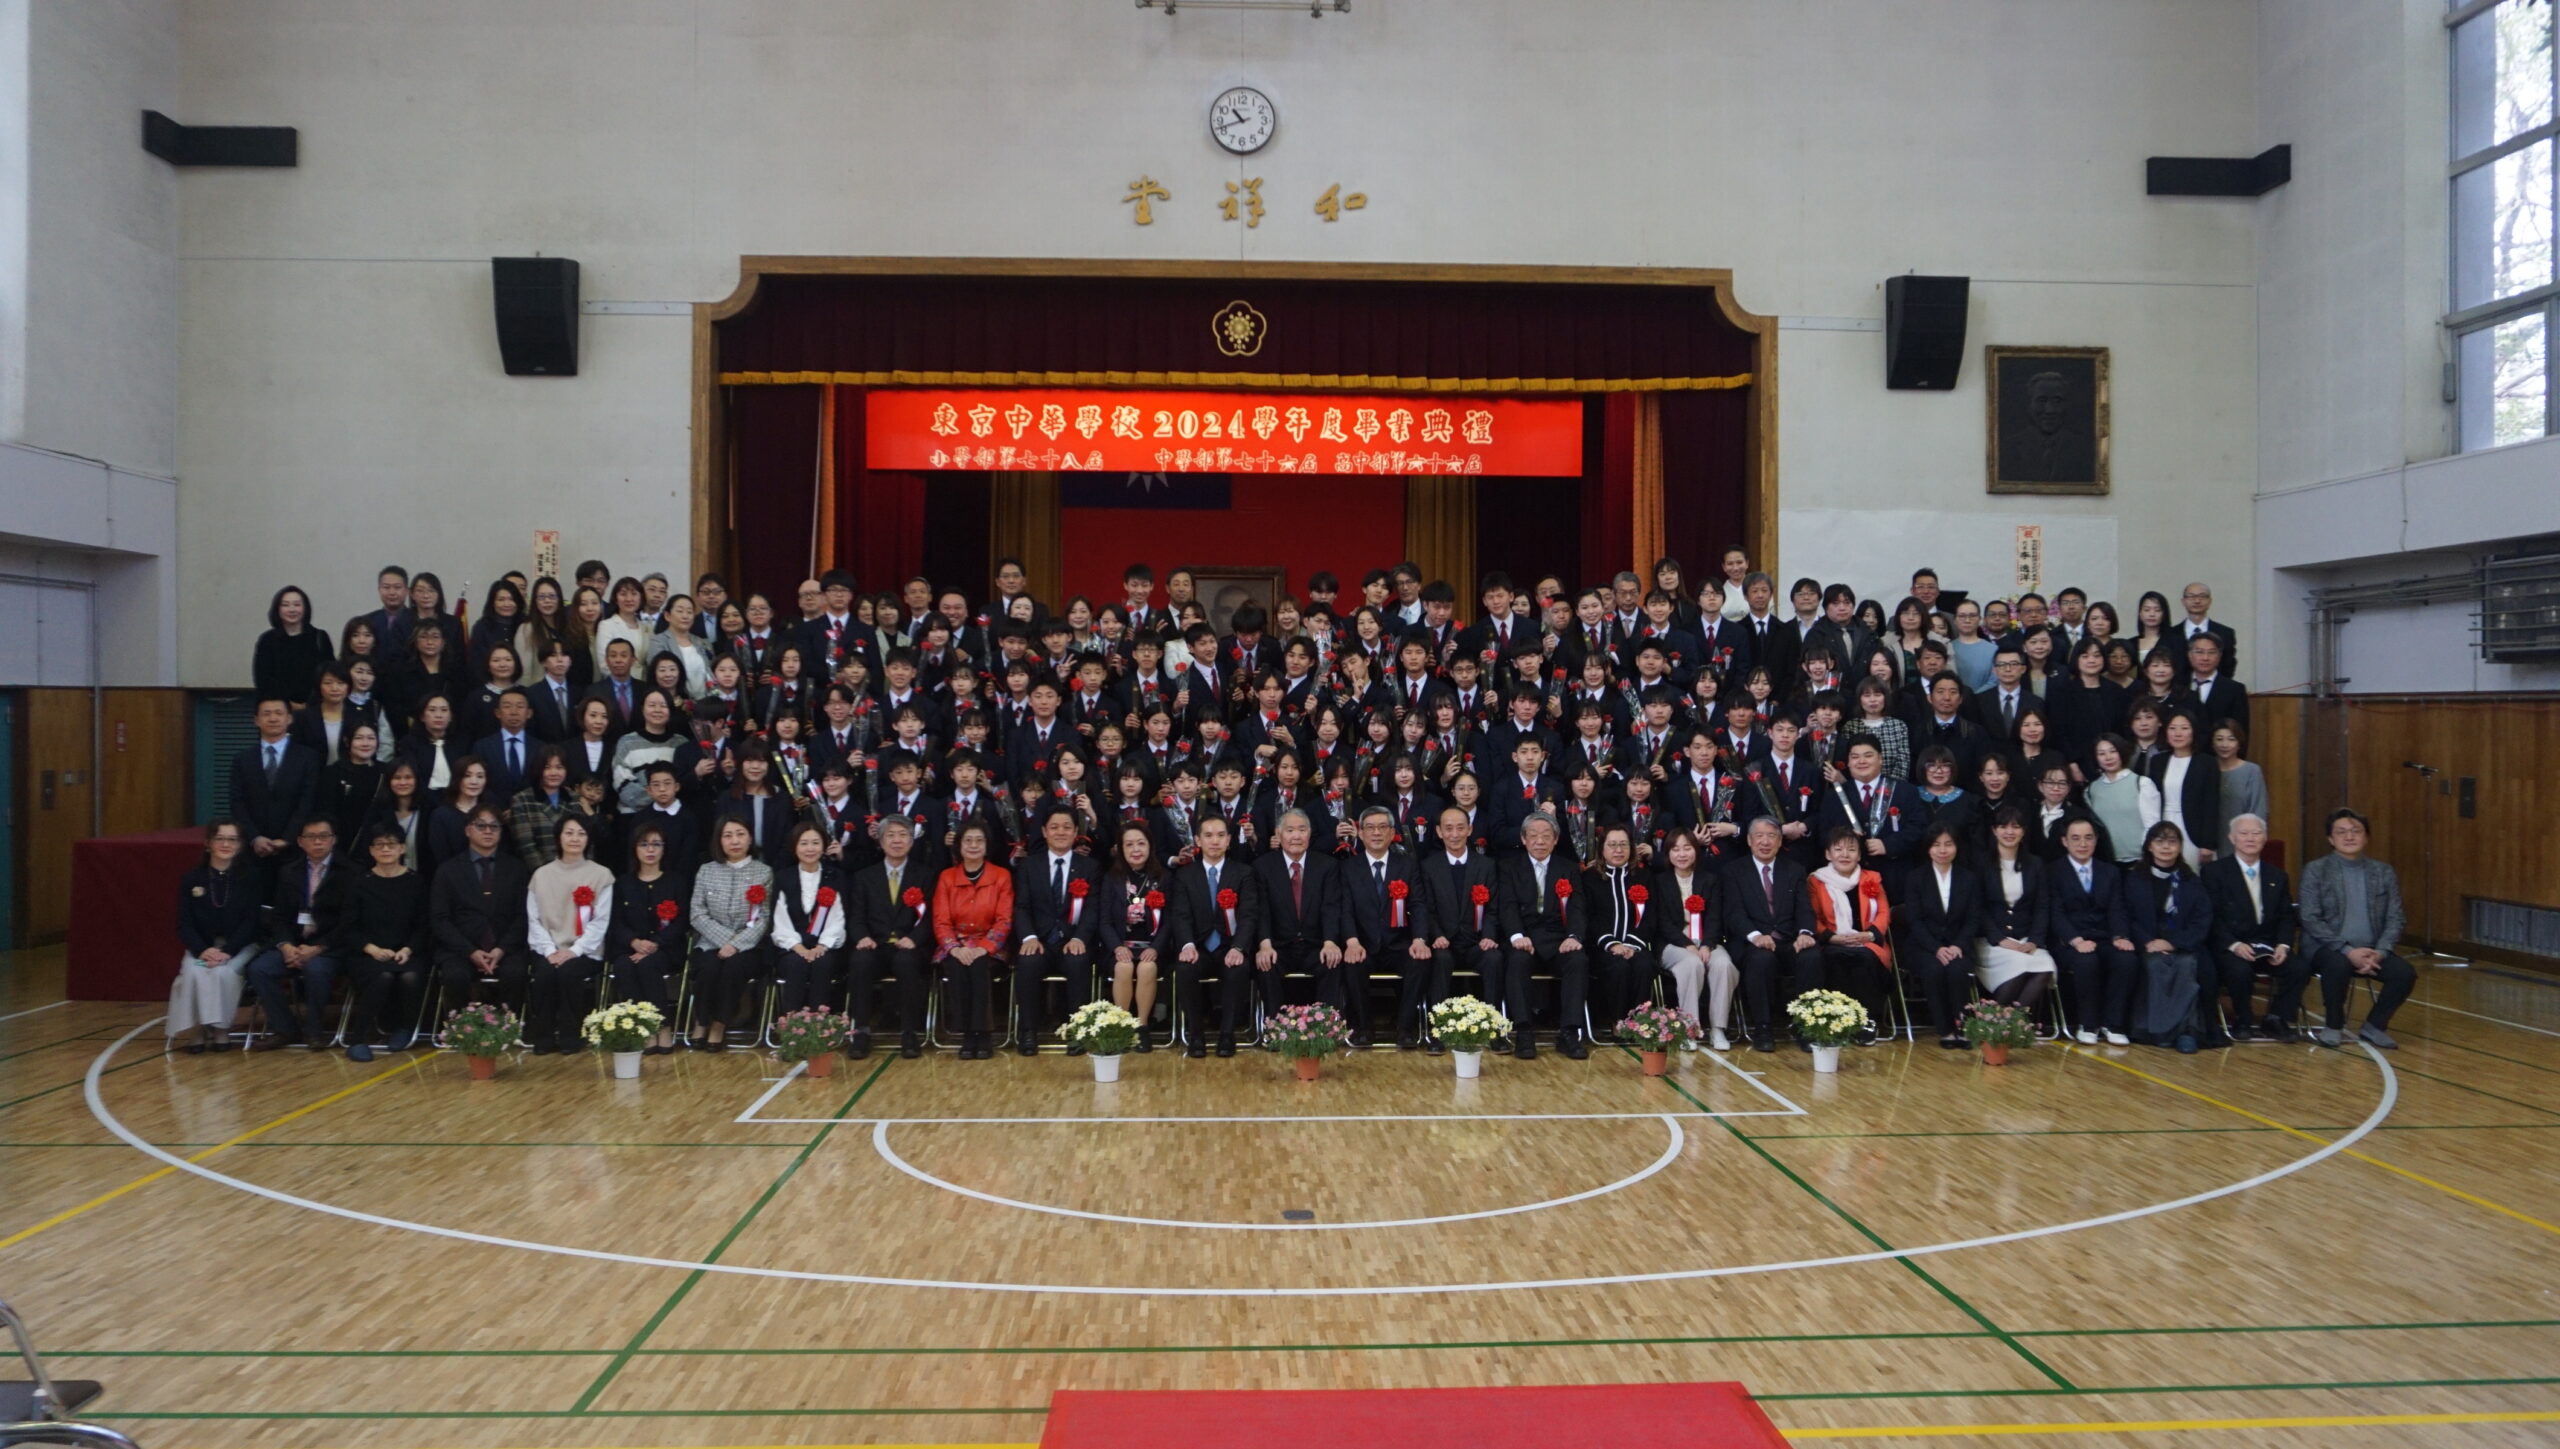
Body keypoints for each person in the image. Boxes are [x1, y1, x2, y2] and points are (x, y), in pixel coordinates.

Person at [2291, 808, 2415, 1049]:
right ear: (2330, 839)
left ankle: (2374, 1026)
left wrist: (2381, 952)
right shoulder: (2316, 870)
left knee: (2404, 973)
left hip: (2372, 950)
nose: (2349, 837)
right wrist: (2347, 950)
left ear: (2366, 837)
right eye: (2341, 832)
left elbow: (2395, 917)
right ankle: (2333, 1025)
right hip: (2325, 948)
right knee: (2338, 964)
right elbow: (2310, 918)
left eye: (2356, 831)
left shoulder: (2383, 872)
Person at [244, 816, 349, 1052]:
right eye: (311, 837)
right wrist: (286, 946)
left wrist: (317, 948)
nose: (318, 842)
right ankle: (285, 1028)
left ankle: (314, 1031)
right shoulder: (288, 871)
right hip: (294, 943)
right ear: (300, 842)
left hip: (330, 947)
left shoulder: (349, 872)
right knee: (259, 969)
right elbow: (280, 917)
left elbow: (349, 923)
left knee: (316, 969)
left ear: (334, 840)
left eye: (324, 836)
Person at [1252, 808, 1355, 1043]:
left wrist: (1330, 942)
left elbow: (1331, 907)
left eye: (1302, 830)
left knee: (1332, 962)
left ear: (1310, 834)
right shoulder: (1262, 866)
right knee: (1266, 964)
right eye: (1290, 830)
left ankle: (1326, 1032)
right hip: (1279, 945)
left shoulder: (1326, 865)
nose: (1296, 836)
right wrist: (1265, 945)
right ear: (1278, 834)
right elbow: (1262, 911)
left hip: (1315, 943)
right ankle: (1276, 1032)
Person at [1498, 811, 1592, 1059]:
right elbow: (1506, 906)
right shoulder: (1509, 867)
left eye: (1546, 836)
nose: (1540, 841)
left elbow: (1577, 907)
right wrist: (1516, 935)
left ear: (1556, 839)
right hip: (1525, 938)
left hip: (1559, 938)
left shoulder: (1568, 868)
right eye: (1533, 835)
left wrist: (1574, 936)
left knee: (1578, 960)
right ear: (1524, 839)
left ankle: (1570, 1033)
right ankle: (1524, 1032)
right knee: (1516, 961)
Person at [2202, 812, 2300, 1043]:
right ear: (2232, 838)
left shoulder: (2277, 875)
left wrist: (2283, 944)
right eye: (2244, 833)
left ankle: (2276, 1018)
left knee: (2298, 967)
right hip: (2231, 944)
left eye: (2256, 833)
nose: (2250, 838)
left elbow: (2287, 915)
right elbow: (2211, 916)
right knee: (2239, 971)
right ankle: (2243, 1020)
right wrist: (2234, 944)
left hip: (2268, 944)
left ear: (2264, 838)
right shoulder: (2214, 872)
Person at [1011, 806, 1102, 1054]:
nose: (1060, 832)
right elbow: (1021, 907)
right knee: (1027, 962)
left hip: (1073, 939)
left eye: (1066, 827)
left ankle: (1078, 1033)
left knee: (1078, 962)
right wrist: (1029, 937)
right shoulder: (1030, 865)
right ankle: (1028, 1033)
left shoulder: (1089, 867)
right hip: (1039, 939)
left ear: (1076, 832)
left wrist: (1080, 937)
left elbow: (1092, 909)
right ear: (1044, 832)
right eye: (1054, 827)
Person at [1167, 813, 1259, 1058]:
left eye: (1220, 835)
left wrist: (1238, 947)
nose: (1215, 841)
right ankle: (1196, 1035)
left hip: (1229, 946)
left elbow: (1249, 915)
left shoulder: (1243, 873)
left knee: (1239, 968)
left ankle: (1227, 1035)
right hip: (1198, 947)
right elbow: (1180, 915)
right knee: (1184, 969)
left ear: (1229, 840)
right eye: (1208, 835)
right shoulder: (1185, 875)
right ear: (1198, 840)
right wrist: (1187, 944)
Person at [1721, 816, 1815, 1053]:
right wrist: (1755, 935)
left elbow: (1804, 908)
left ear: (1780, 841)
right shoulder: (1734, 871)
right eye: (1759, 836)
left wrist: (1805, 933)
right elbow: (1733, 913)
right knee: (1761, 959)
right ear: (1749, 840)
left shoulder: (1794, 869)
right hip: (1752, 942)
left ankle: (1806, 1026)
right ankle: (1763, 1028)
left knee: (1811, 956)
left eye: (1771, 836)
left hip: (1787, 940)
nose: (1765, 842)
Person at [429, 806, 531, 1023]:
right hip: (461, 949)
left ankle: (507, 1029)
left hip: (505, 948)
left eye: (494, 826)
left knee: (516, 973)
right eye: (481, 826)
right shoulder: (448, 870)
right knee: (455, 976)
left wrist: (500, 950)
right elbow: (440, 919)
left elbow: (523, 916)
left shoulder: (517, 868)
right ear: (468, 830)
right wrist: (470, 951)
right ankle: (460, 1030)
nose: (488, 831)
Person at [336, 824, 429, 1058]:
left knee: (409, 976)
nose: (385, 849)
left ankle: (404, 1028)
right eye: (379, 845)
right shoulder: (359, 882)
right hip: (367, 953)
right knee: (383, 975)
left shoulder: (416, 881)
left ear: (402, 848)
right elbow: (348, 926)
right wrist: (371, 949)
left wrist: (408, 949)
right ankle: (358, 1039)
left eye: (391, 844)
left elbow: (424, 925)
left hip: (408, 952)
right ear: (371, 850)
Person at [169, 819, 262, 1053]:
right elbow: (184, 924)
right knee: (192, 972)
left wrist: (227, 951)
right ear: (208, 843)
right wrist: (202, 950)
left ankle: (221, 1029)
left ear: (240, 845)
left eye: (232, 840)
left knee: (223, 973)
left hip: (238, 946)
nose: (226, 844)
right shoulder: (192, 879)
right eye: (220, 839)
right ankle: (198, 1029)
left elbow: (251, 922)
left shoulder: (250, 877)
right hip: (202, 947)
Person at [524, 814, 612, 1055]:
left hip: (585, 950)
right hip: (548, 949)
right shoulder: (541, 875)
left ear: (589, 839)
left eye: (581, 833)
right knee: (544, 975)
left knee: (568, 973)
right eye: (569, 833)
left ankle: (570, 1035)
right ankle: (543, 1036)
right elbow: (534, 919)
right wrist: (550, 951)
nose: (575, 838)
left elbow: (600, 922)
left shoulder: (601, 875)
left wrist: (574, 951)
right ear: (558, 837)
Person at [847, 815, 932, 1058]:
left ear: (911, 841)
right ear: (881, 841)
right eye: (891, 835)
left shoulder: (925, 875)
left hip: (909, 944)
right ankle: (861, 1031)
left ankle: (909, 1032)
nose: (897, 841)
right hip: (875, 944)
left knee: (906, 962)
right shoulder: (864, 877)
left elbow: (931, 916)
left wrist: (915, 938)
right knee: (860, 961)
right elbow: (856, 916)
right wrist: (862, 937)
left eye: (903, 835)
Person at [2048, 816, 2138, 1045]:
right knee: (2086, 961)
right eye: (2076, 838)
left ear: (2096, 841)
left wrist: (2120, 936)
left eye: (2088, 838)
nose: (2083, 844)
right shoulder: (2052, 871)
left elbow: (2117, 909)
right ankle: (2088, 1025)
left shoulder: (2110, 872)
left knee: (2126, 959)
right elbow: (2055, 913)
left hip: (2104, 938)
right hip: (2069, 942)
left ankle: (2113, 1024)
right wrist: (2076, 940)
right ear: (2065, 841)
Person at [688, 815, 775, 1051]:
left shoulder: (764, 872)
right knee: (708, 968)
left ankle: (719, 1024)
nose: (734, 841)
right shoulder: (706, 871)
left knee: (733, 968)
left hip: (748, 946)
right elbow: (697, 913)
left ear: (750, 839)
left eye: (740, 834)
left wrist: (736, 944)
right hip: (710, 942)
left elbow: (764, 917)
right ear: (719, 840)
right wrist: (726, 941)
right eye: (727, 836)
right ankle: (701, 1021)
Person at [2127, 821, 2215, 1053]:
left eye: (2172, 842)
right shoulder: (2135, 879)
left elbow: (2202, 920)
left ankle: (2187, 1031)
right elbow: (2128, 917)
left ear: (2180, 847)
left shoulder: (2191, 881)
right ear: (2149, 846)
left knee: (2187, 965)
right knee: (2156, 965)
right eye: (2160, 841)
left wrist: (2173, 943)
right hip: (2147, 944)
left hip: (2183, 944)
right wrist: (2148, 942)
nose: (2166, 847)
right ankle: (2160, 1032)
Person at [932, 820, 1012, 1059]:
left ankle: (983, 1033)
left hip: (990, 945)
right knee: (957, 965)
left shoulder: (1001, 876)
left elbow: (1004, 919)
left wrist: (984, 947)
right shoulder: (947, 877)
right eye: (968, 841)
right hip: (956, 944)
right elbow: (941, 920)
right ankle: (967, 1034)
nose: (973, 845)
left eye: (979, 840)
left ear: (987, 845)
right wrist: (955, 948)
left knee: (979, 965)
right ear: (959, 845)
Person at [1803, 827, 1892, 1045]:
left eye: (1851, 850)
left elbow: (1883, 912)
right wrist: (1831, 937)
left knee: (1865, 958)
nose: (1845, 854)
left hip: (1867, 942)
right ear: (1828, 854)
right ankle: (1839, 1018)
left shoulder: (1871, 878)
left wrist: (1869, 935)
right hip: (1832, 942)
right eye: (1838, 849)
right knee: (1834, 957)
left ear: (1859, 855)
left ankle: (1867, 1019)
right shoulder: (1816, 881)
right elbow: (1813, 916)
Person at [607, 819, 687, 1054]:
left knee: (648, 965)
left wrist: (655, 944)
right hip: (629, 948)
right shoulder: (623, 883)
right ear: (634, 848)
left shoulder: (676, 881)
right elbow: (616, 922)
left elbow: (682, 921)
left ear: (664, 848)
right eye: (644, 844)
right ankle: (644, 1027)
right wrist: (634, 942)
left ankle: (663, 1026)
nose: (650, 850)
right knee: (624, 966)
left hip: (666, 949)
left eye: (656, 844)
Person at [1901, 824, 1983, 1048]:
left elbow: (1973, 919)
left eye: (1948, 844)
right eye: (1936, 845)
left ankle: (1964, 1027)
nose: (1943, 850)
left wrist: (1958, 945)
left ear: (1957, 847)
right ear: (1928, 848)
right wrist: (1936, 948)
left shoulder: (1969, 878)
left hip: (1958, 945)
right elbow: (1915, 921)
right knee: (1934, 969)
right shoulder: (1915, 878)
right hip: (1923, 946)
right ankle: (1945, 1030)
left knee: (1957, 970)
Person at [1652, 831, 1736, 1050]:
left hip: (1706, 941)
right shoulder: (1659, 881)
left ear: (1696, 851)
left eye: (1687, 848)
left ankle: (1717, 1029)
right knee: (1691, 964)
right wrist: (1687, 944)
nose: (1682, 854)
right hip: (1673, 944)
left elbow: (1715, 917)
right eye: (1676, 849)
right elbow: (1662, 922)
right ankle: (1688, 1029)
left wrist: (1707, 944)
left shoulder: (1710, 880)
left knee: (1724, 964)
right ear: (1668, 853)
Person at [1975, 808, 2059, 1025]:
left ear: (2024, 831)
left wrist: (2034, 940)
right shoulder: (1982, 864)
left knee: (2045, 967)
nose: (2009, 832)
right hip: (1992, 941)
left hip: (2025, 939)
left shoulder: (2035, 864)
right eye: (2003, 826)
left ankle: (2008, 1026)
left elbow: (2042, 906)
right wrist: (1999, 939)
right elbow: (1978, 908)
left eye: (2016, 826)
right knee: (2018, 967)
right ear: (1994, 831)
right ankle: (1996, 1025)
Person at [231, 697, 319, 895]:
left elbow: (307, 801)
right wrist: (255, 838)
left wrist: (288, 838)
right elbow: (237, 802)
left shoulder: (308, 757)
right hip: (254, 849)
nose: (273, 718)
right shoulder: (242, 759)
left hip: (295, 848)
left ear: (290, 719)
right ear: (256, 720)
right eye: (267, 714)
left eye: (279, 713)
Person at [770, 822, 851, 1026]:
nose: (810, 848)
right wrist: (797, 947)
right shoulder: (783, 877)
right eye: (804, 843)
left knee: (822, 964)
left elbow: (838, 918)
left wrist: (822, 945)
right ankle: (792, 1029)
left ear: (824, 846)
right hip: (791, 947)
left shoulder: (836, 877)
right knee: (795, 964)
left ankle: (820, 1029)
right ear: (794, 847)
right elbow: (779, 919)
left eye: (815, 843)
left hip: (827, 947)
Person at [1098, 819, 1168, 1052]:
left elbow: (1170, 921)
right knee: (1123, 967)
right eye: (1129, 845)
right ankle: (1122, 1026)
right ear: (1120, 849)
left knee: (1147, 967)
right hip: (1120, 946)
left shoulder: (1164, 878)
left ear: (1150, 846)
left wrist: (1156, 947)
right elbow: (1104, 921)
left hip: (1153, 947)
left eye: (1141, 843)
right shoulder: (1111, 878)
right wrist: (1117, 947)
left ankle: (1142, 1026)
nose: (1135, 849)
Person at [253, 585, 334, 708]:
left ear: (305, 608)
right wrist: (289, 705)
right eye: (285, 605)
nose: (292, 609)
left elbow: (329, 675)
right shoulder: (267, 640)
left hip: (315, 709)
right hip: (279, 710)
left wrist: (310, 704)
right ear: (277, 609)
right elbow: (263, 680)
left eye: (297, 604)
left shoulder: (320, 637)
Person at [2210, 722, 2270, 856]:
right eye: (2219, 739)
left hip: (2242, 840)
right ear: (2212, 743)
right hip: (2210, 841)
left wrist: (2250, 838)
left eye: (2231, 739)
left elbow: (2258, 809)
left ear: (2239, 743)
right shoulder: (2206, 769)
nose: (2224, 744)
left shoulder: (2252, 771)